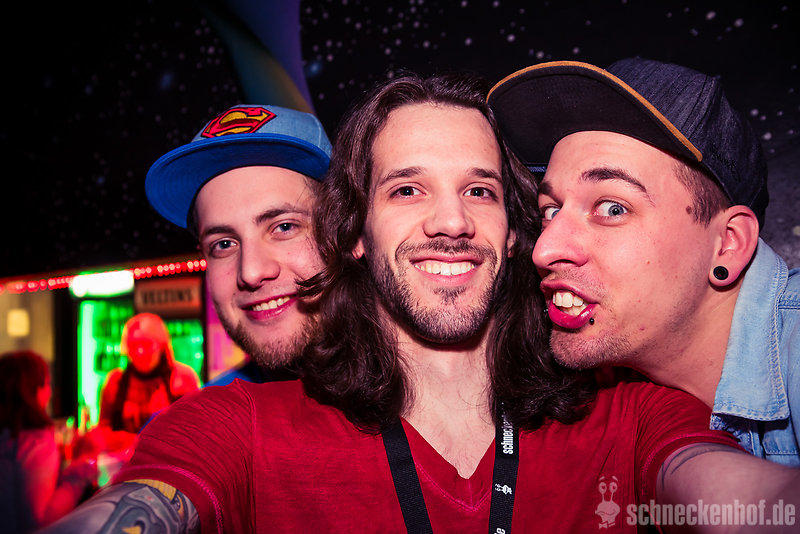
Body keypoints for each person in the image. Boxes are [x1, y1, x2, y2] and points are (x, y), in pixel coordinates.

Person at [44, 71, 799, 533]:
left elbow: (725, 489)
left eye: (481, 190)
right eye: (407, 189)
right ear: (355, 231)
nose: (450, 221)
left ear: (515, 233)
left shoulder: (624, 413)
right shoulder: (237, 426)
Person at [488, 57, 800, 467]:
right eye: (551, 210)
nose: (544, 250)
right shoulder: (607, 392)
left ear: (728, 244)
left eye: (613, 208)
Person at [145, 104, 331, 383]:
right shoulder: (210, 410)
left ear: (349, 233)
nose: (250, 273)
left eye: (284, 227)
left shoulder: (404, 394)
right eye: (223, 244)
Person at [0, 350, 98, 532]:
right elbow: (38, 523)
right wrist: (76, 480)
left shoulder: (8, 436)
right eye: (47, 384)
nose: (50, 392)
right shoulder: (35, 442)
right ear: (35, 391)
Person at [98, 313, 200, 436]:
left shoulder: (183, 378)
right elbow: (103, 432)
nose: (140, 352)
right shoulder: (115, 382)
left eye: (147, 344)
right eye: (134, 345)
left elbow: (196, 429)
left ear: (161, 346)